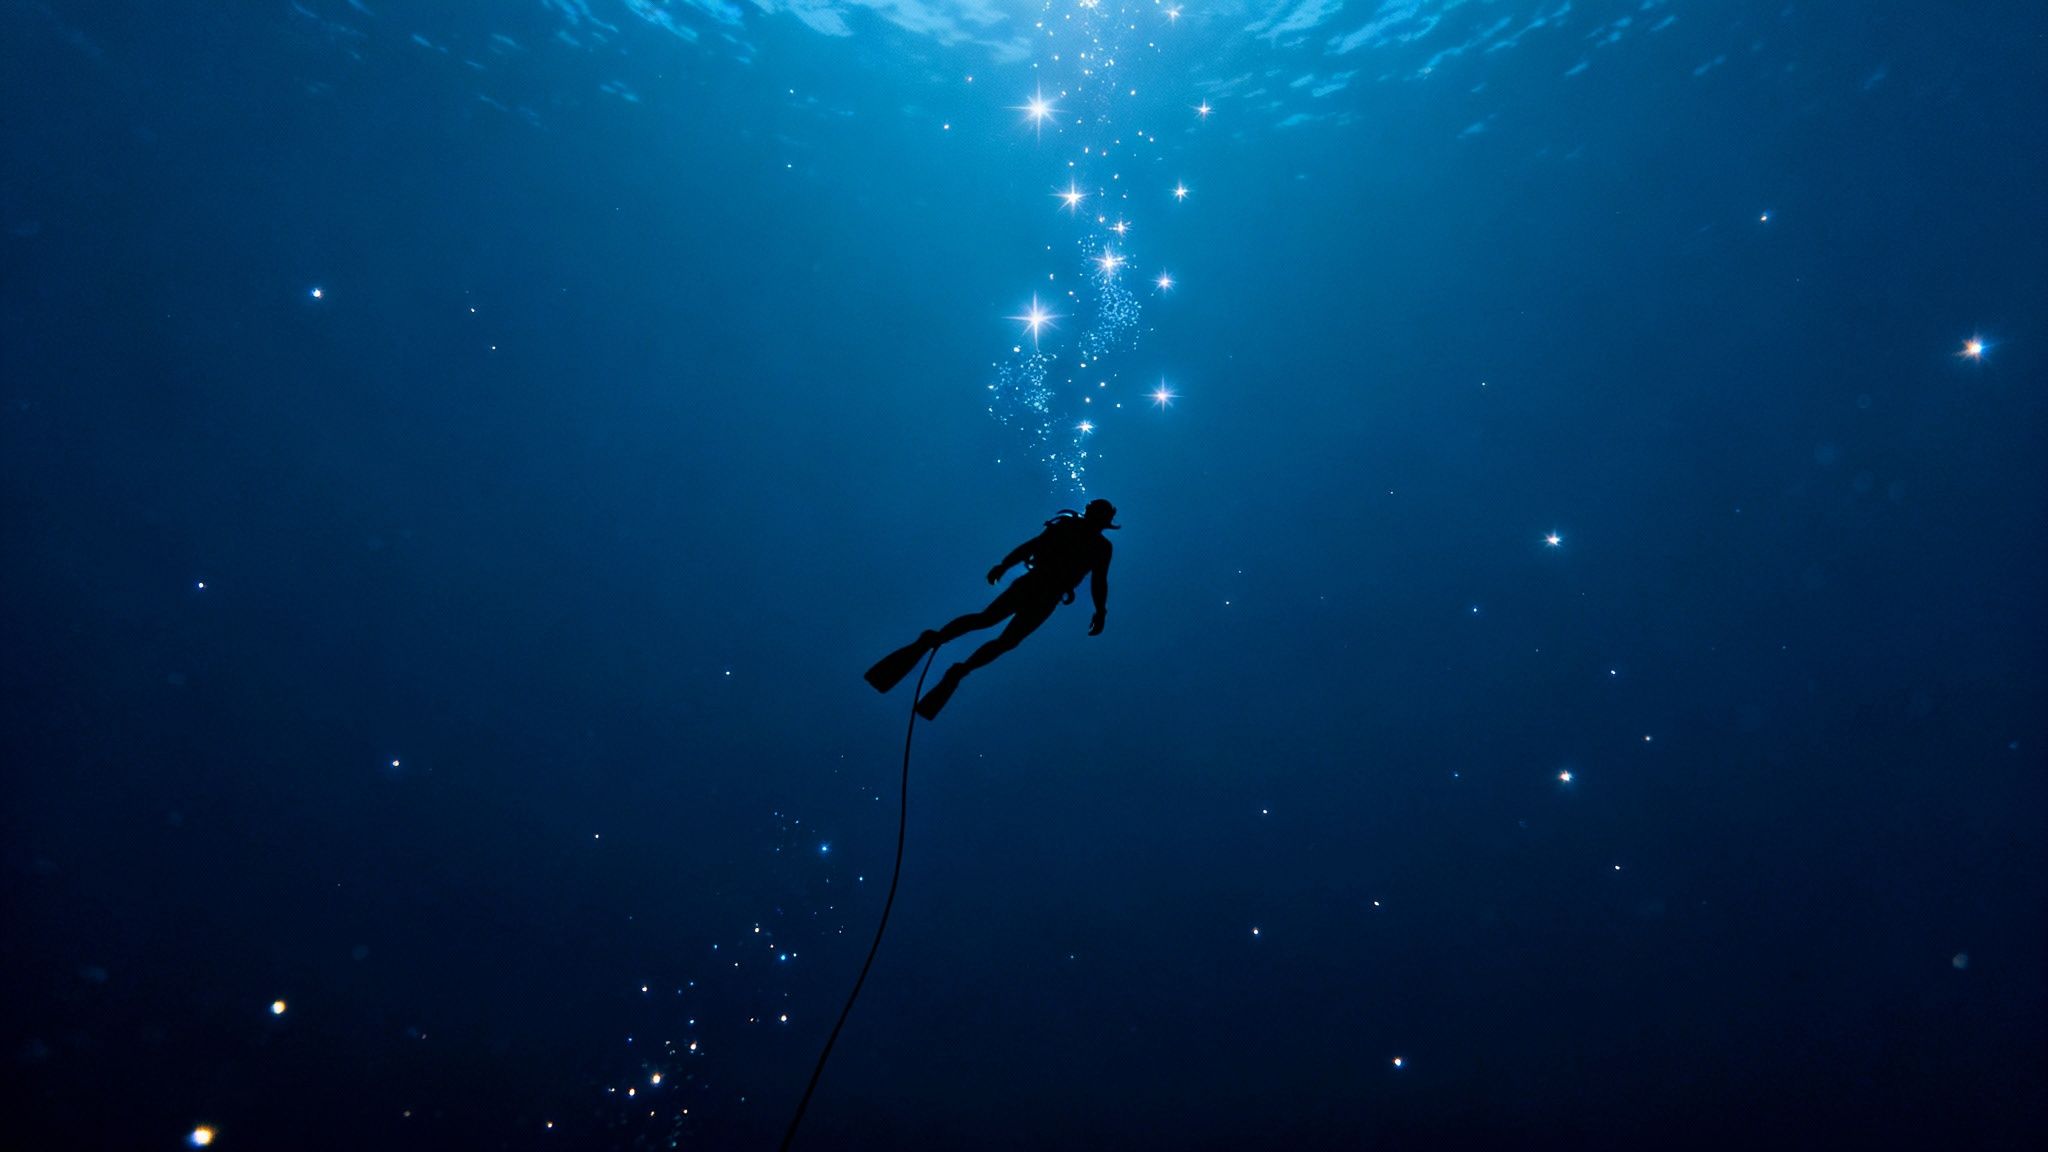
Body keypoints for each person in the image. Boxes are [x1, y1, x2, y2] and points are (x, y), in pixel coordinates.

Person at [865, 499, 1118, 720]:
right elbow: (1032, 548)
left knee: (1004, 638)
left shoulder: (1096, 544)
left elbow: (1097, 580)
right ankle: (941, 646)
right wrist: (1003, 565)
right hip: (1037, 587)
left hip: (1045, 595)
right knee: (989, 623)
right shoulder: (1075, 530)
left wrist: (1100, 611)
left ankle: (954, 661)